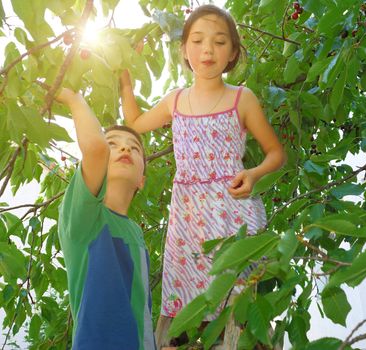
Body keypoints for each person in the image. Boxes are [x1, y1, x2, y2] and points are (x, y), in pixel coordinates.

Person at [120, 4, 285, 348]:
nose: (207, 49)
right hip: (189, 221)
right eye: (197, 40)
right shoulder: (175, 101)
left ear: (233, 53)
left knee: (237, 308)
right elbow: (135, 124)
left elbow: (276, 154)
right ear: (184, 50)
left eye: (219, 42)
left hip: (232, 216)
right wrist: (125, 80)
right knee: (184, 314)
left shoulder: (243, 99)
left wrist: (253, 175)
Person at [56, 88, 156, 350]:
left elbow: (140, 307)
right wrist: (73, 98)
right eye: (114, 143)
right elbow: (96, 149)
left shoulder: (136, 232)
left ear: (142, 180)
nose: (125, 147)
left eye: (135, 148)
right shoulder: (85, 217)